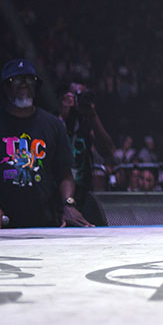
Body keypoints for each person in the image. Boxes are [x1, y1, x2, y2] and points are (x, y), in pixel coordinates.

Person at [0, 59, 92, 228]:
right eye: (16, 80)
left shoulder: (52, 124)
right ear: (6, 87)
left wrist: (68, 203)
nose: (24, 84)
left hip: (43, 223)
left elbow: (65, 173)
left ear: (36, 87)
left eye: (29, 80)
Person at [57, 82, 116, 226]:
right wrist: (62, 114)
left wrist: (93, 116)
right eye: (78, 96)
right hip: (55, 195)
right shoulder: (53, 122)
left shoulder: (87, 123)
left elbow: (108, 151)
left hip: (82, 194)